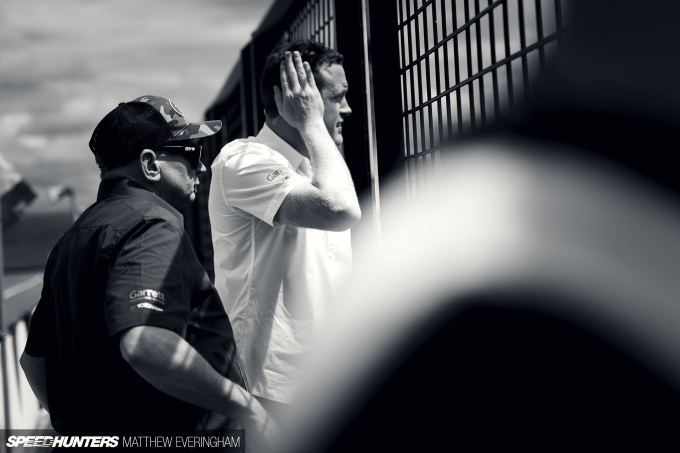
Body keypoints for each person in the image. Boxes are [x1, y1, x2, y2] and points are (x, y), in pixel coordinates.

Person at [20, 95, 276, 449]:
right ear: (150, 164)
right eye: (192, 153)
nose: (202, 168)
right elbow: (144, 342)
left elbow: (33, 360)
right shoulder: (152, 224)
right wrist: (249, 409)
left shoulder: (73, 238)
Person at [208, 41, 361, 422]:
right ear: (293, 97)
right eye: (336, 97)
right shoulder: (243, 159)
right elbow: (340, 209)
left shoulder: (319, 167)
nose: (347, 109)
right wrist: (311, 122)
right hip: (272, 393)